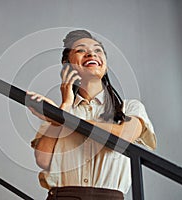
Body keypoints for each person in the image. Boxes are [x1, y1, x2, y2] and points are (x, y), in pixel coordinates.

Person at [27, 30, 156, 200]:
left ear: (105, 65)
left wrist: (65, 119)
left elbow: (124, 135)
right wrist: (63, 111)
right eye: (81, 50)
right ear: (68, 65)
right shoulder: (60, 113)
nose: (91, 53)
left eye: (97, 50)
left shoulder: (130, 107)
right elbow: (43, 160)